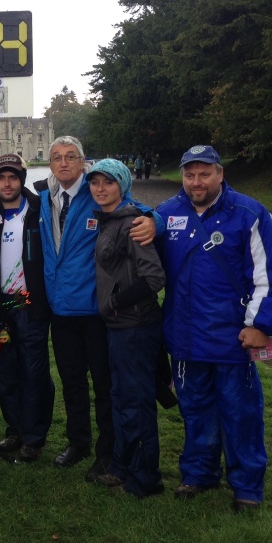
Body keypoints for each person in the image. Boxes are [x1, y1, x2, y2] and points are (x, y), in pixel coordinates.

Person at [34, 135, 163, 481]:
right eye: (57, 157)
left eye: (71, 157)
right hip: (60, 311)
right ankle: (78, 442)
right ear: (50, 163)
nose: (63, 163)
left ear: (83, 162)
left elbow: (135, 210)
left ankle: (108, 452)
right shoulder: (44, 199)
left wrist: (156, 221)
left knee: (104, 387)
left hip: (94, 311)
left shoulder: (94, 194)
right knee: (71, 383)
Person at [156, 145, 272, 511]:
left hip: (233, 338)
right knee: (195, 409)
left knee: (241, 413)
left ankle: (247, 486)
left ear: (220, 173)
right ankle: (199, 473)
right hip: (185, 336)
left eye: (204, 174)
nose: (196, 182)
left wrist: (261, 325)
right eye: (189, 175)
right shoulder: (166, 213)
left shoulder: (249, 213)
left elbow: (267, 278)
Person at [86, 159, 166, 497]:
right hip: (116, 327)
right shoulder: (108, 221)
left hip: (135, 327)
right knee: (120, 400)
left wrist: (117, 302)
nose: (100, 189)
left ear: (122, 185)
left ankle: (145, 479)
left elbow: (154, 277)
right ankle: (122, 465)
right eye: (95, 183)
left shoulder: (133, 223)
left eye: (108, 182)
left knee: (136, 402)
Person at [0, 153, 54, 462]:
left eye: (12, 177)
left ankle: (34, 437)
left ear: (21, 180)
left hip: (30, 304)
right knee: (5, 372)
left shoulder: (39, 209)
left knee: (33, 372)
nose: (7, 183)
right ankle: (16, 429)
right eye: (1, 178)